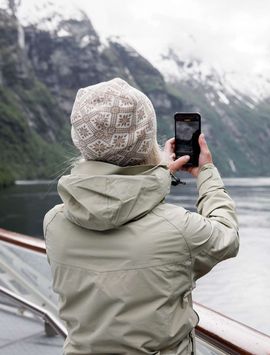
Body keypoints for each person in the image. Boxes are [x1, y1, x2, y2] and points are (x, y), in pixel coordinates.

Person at [43, 78, 239, 355]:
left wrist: (160, 172)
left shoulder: (54, 223)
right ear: (146, 141)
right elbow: (226, 235)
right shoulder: (178, 230)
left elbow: (115, 201)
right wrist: (206, 172)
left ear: (82, 140)